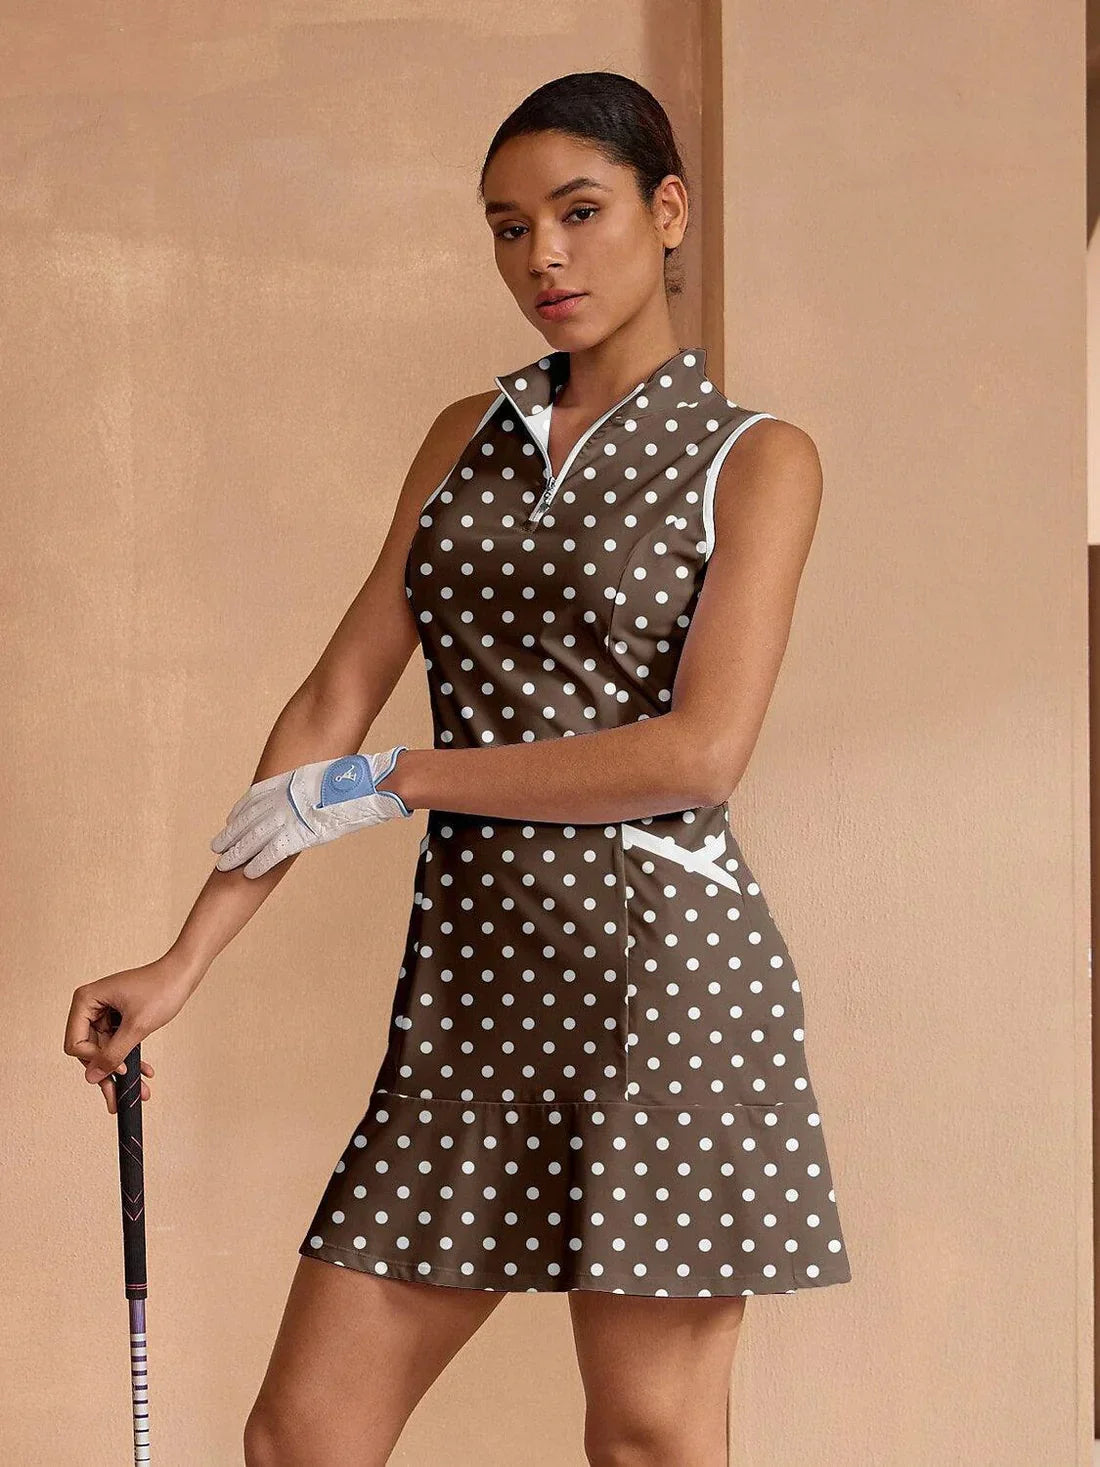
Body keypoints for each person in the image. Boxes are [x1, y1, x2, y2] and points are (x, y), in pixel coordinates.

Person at [64, 69, 851, 1467]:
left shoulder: (756, 461)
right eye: (507, 226)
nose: (543, 255)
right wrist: (185, 960)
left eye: (580, 211)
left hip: (664, 995)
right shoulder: (463, 438)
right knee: (304, 1437)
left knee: (649, 1440)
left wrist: (411, 778)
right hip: (472, 995)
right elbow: (333, 701)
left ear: (668, 211)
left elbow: (699, 752)